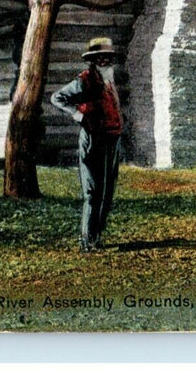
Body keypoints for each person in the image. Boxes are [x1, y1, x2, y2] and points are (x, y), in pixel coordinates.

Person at [50, 36, 124, 253]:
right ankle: (87, 241)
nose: (104, 61)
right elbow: (58, 98)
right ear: (93, 60)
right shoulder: (85, 79)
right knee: (92, 192)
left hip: (112, 138)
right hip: (93, 139)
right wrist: (78, 114)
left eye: (107, 58)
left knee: (107, 191)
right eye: (100, 58)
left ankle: (97, 238)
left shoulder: (109, 81)